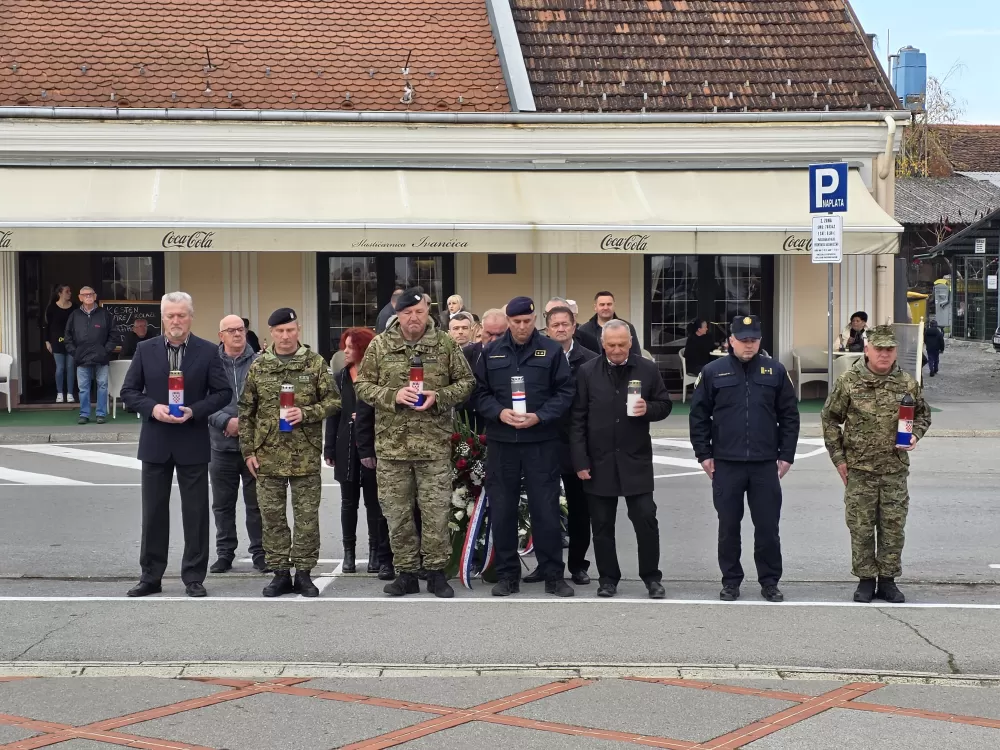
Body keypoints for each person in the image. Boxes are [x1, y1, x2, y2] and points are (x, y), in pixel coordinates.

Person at [356, 288, 475, 598]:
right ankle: (406, 573)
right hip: (392, 448)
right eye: (407, 312)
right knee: (397, 515)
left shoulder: (445, 343)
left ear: (427, 312)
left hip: (433, 447)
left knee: (435, 513)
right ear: (399, 314)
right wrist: (391, 395)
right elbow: (363, 385)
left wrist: (439, 397)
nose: (413, 318)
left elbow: (466, 382)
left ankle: (436, 573)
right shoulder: (380, 345)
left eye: (419, 312)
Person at [121, 292, 232, 597]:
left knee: (195, 514)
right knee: (153, 512)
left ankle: (194, 576)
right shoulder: (146, 349)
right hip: (156, 440)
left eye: (181, 315)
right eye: (170, 315)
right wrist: (152, 408)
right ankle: (150, 576)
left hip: (191, 439)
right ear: (163, 318)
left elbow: (222, 393)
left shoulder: (208, 351)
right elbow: (129, 391)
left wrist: (195, 410)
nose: (176, 321)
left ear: (190, 317)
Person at [689, 315, 800, 603]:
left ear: (759, 341)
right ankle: (731, 581)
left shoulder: (775, 371)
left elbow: (789, 415)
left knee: (767, 528)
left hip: (765, 463)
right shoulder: (713, 371)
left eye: (753, 340)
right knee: (728, 527)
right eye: (743, 339)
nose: (748, 345)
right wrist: (703, 454)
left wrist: (786, 454)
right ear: (731, 340)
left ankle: (770, 581)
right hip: (726, 463)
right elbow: (698, 416)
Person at [473, 296, 576, 598]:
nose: (521, 327)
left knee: (545, 510)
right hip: (503, 443)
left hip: (540, 442)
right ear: (508, 321)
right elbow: (478, 393)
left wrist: (540, 416)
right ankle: (507, 575)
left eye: (527, 322)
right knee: (503, 510)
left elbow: (566, 391)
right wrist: (498, 412)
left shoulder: (552, 350)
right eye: (516, 322)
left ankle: (553, 574)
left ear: (534, 321)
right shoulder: (491, 351)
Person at [820, 325, 931, 604]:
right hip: (860, 470)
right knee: (861, 526)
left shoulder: (907, 383)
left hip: (894, 470)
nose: (884, 354)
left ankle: (889, 580)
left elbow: (922, 416)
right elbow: (830, 419)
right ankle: (866, 580)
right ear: (867, 350)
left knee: (893, 526)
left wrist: (915, 436)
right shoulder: (849, 381)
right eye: (879, 348)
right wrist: (839, 459)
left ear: (895, 352)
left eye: (889, 349)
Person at [239, 307, 341, 598]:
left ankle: (305, 573)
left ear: (298, 330)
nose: (286, 336)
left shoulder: (314, 362)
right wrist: (248, 451)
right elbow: (246, 412)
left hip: (304, 454)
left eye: (291, 330)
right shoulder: (259, 366)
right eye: (280, 331)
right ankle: (280, 574)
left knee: (307, 518)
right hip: (267, 455)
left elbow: (334, 402)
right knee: (272, 518)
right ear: (271, 333)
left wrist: (307, 412)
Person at [571, 319, 673, 598]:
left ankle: (651, 577)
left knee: (646, 519)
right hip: (598, 461)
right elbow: (577, 418)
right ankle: (608, 579)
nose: (617, 350)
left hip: (635, 460)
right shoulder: (587, 371)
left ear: (630, 342)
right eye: (611, 345)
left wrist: (648, 408)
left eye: (622, 344)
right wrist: (580, 461)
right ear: (603, 344)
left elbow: (665, 405)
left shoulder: (647, 368)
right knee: (602, 525)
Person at [521, 304, 597, 587]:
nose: (561, 329)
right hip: (543, 441)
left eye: (566, 324)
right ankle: (545, 564)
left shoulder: (590, 360)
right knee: (544, 508)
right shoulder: (537, 356)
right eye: (556, 325)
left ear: (574, 327)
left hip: (578, 445)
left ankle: (578, 565)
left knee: (580, 510)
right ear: (547, 329)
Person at [324, 327, 393, 579]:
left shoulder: (376, 377)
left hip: (372, 446)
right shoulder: (340, 378)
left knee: (374, 503)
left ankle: (375, 552)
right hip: (345, 447)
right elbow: (333, 415)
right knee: (347, 502)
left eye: (351, 347)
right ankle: (349, 553)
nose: (345, 351)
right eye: (345, 346)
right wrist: (329, 448)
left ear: (363, 349)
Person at [207, 315, 265, 574]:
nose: (237, 334)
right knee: (222, 504)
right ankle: (225, 553)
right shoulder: (209, 363)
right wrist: (224, 421)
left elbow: (270, 401)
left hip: (254, 447)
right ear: (221, 335)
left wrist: (247, 423)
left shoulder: (260, 363)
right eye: (231, 331)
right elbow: (199, 400)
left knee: (257, 504)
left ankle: (260, 553)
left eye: (241, 329)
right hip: (220, 446)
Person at [64, 286, 117, 425]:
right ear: (80, 297)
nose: (88, 296)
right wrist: (74, 352)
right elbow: (67, 336)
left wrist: (106, 350)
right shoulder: (74, 315)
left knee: (103, 386)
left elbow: (113, 334)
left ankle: (101, 414)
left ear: (95, 296)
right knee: (83, 388)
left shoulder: (105, 314)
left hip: (101, 357)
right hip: (81, 358)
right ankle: (84, 414)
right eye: (85, 295)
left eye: (91, 294)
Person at [457, 308, 507, 434]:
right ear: (481, 330)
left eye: (500, 334)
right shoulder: (466, 354)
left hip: (504, 421)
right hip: (471, 422)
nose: (494, 340)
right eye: (490, 334)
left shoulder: (516, 355)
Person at [578, 291, 641, 357]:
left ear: (614, 306)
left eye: (609, 304)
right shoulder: (584, 330)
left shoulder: (627, 327)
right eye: (602, 304)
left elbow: (636, 355)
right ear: (595, 307)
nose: (606, 308)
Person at [44, 284, 76, 403]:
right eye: (67, 291)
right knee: (60, 367)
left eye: (70, 291)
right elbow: (47, 326)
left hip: (71, 341)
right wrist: (47, 341)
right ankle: (59, 393)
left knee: (70, 367)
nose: (69, 293)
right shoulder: (52, 308)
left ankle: (70, 393)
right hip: (56, 341)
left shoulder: (74, 308)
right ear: (60, 293)